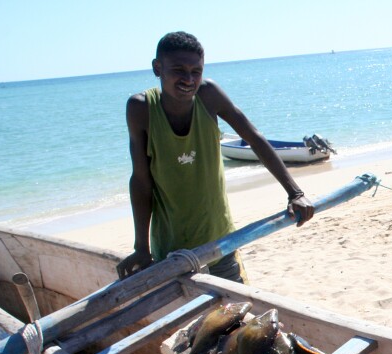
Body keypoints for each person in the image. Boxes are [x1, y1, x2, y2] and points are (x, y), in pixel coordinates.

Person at [116, 31, 314, 283]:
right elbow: (142, 181)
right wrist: (141, 248)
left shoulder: (208, 95)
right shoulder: (141, 108)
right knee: (189, 320)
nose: (189, 79)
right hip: (172, 250)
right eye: (179, 70)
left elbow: (254, 138)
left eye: (195, 71)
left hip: (221, 241)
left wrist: (295, 193)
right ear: (158, 68)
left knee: (236, 315)